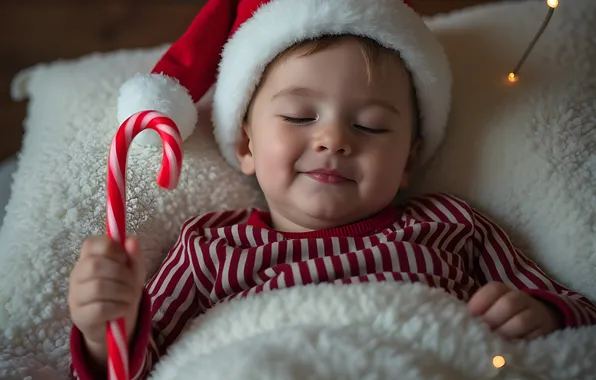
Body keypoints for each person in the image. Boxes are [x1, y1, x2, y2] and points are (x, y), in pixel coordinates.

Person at [67, 0, 596, 378]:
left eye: (369, 126)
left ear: (410, 159)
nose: (333, 140)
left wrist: (542, 311)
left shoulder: (451, 225)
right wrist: (102, 328)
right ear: (246, 144)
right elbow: (139, 364)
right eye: (299, 116)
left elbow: (577, 312)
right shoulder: (208, 248)